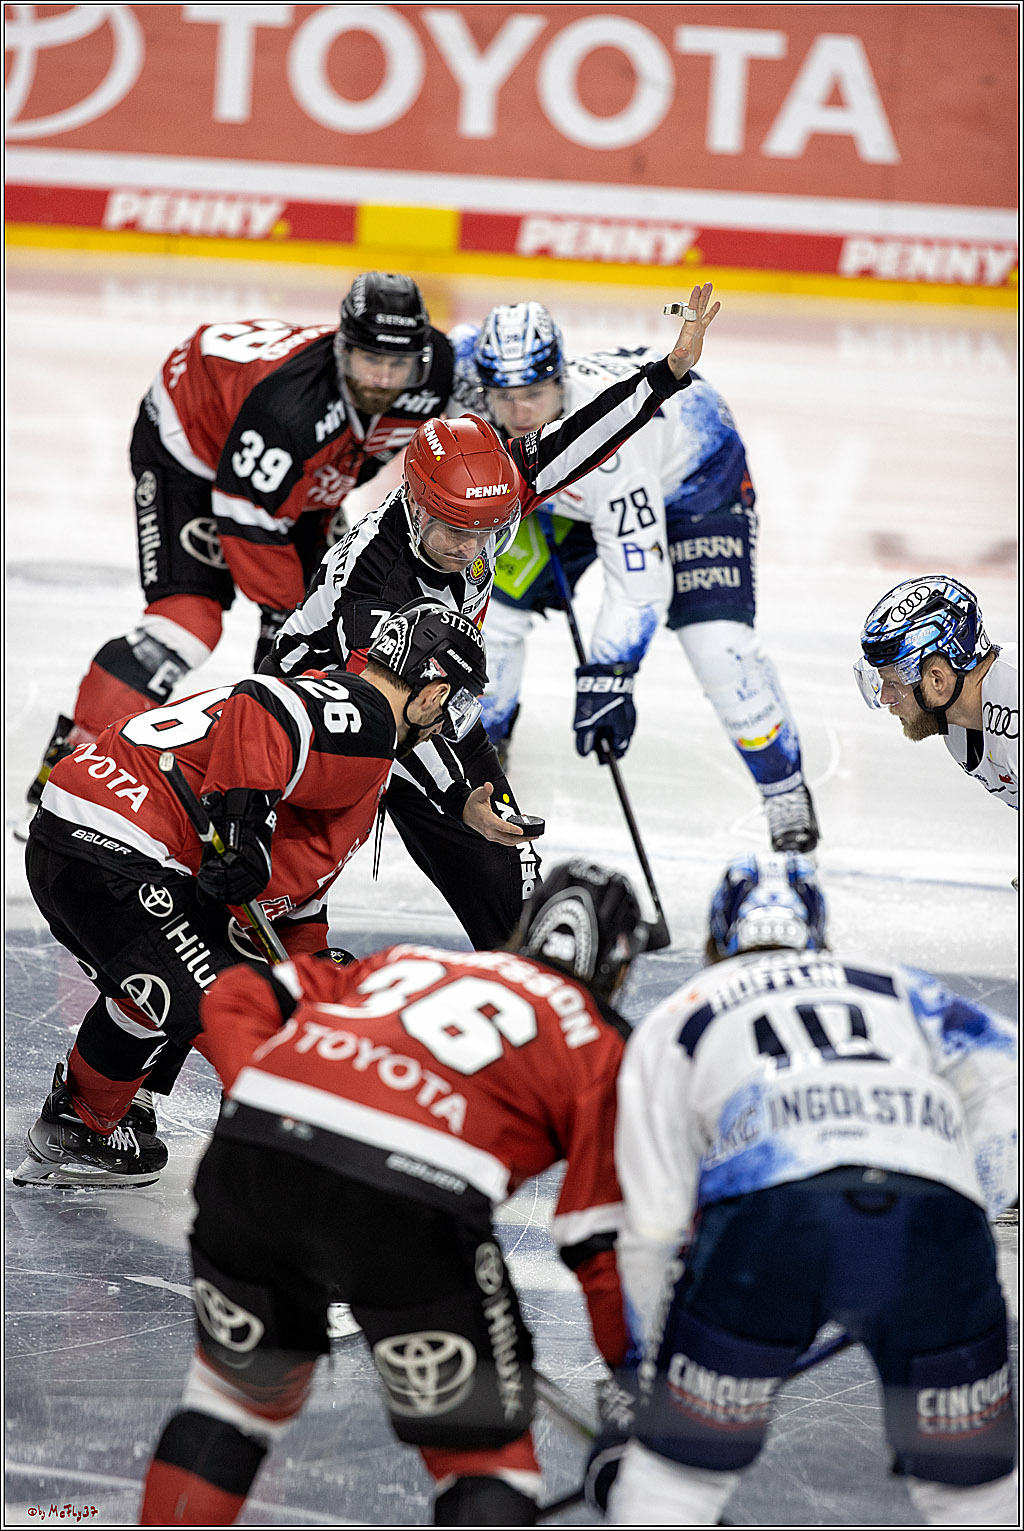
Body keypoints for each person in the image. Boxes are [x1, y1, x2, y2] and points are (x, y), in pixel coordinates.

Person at [137, 859, 648, 1526]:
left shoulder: (407, 962)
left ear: (524, 926)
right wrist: (634, 1385)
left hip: (253, 1161)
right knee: (482, 1457)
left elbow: (236, 993)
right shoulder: (606, 1045)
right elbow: (597, 1238)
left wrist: (266, 1096)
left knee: (231, 1400)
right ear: (619, 966)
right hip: (411, 1205)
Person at [263, 284, 723, 947]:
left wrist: (667, 373)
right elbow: (389, 724)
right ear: (415, 505)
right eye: (451, 529)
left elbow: (580, 436)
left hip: (428, 693)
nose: (468, 547)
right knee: (328, 847)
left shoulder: (491, 492)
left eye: (488, 530)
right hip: (331, 706)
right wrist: (459, 797)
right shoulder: (380, 586)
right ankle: (281, 928)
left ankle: (515, 989)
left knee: (509, 880)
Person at [14, 599, 513, 1188]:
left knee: (161, 986)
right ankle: (301, 1226)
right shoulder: (369, 717)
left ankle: (82, 1123)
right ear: (431, 695)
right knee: (267, 1035)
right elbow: (263, 704)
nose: (451, 723)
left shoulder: (358, 739)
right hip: (121, 850)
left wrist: (312, 973)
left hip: (83, 840)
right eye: (455, 703)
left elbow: (295, 891)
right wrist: (239, 820)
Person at [595, 852, 1017, 1526]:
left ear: (714, 942)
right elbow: (1006, 1072)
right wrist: (967, 1204)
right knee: (975, 1493)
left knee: (679, 1478)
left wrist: (654, 1379)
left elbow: (652, 1223)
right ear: (819, 937)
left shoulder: (680, 1013)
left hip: (770, 1221)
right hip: (935, 1224)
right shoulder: (899, 984)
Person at [21, 271, 455, 826]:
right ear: (340, 347)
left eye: (399, 365)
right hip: (191, 442)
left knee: (334, 606)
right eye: (371, 360)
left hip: (287, 464)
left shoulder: (435, 367)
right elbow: (247, 526)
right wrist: (291, 615)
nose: (385, 379)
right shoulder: (288, 410)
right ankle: (73, 762)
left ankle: (286, 756)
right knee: (188, 622)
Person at [448, 301, 818, 855]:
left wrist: (608, 676)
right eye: (505, 397)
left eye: (535, 394)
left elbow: (638, 582)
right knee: (493, 609)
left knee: (718, 645)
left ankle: (783, 788)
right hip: (559, 485)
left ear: (560, 378)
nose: (520, 412)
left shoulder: (614, 455)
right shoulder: (475, 387)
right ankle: (481, 747)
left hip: (694, 484)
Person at [855, 574, 1018, 812]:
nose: (885, 699)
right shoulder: (958, 730)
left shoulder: (1013, 715)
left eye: (892, 683)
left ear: (937, 680)